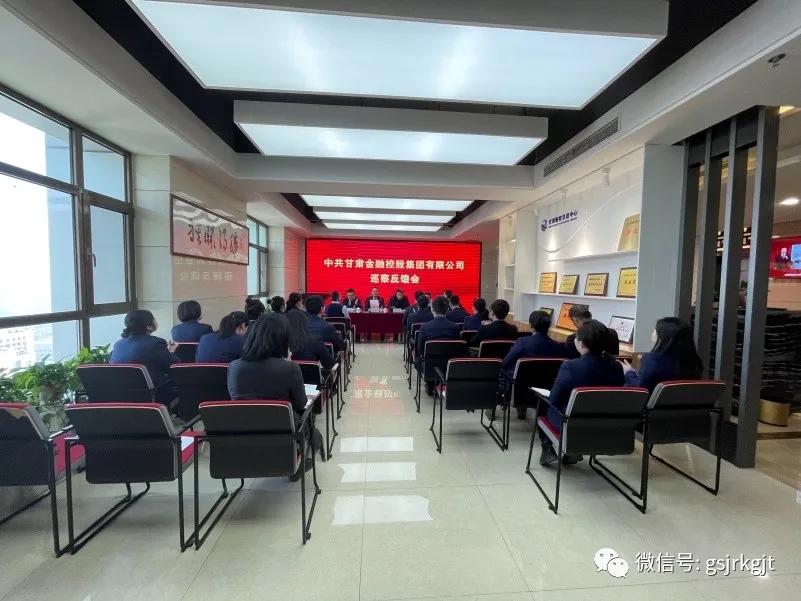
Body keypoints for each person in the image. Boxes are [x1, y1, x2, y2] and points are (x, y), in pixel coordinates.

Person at [227, 314, 319, 480]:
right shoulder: (289, 368)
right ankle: (296, 464)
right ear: (283, 340)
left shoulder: (234, 367)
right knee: (309, 421)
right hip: (284, 431)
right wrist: (287, 362)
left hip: (244, 430)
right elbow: (301, 404)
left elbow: (235, 398)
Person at [539, 320, 624, 466]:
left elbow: (554, 398)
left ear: (582, 343)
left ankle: (547, 448)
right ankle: (570, 452)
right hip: (606, 424)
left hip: (573, 423)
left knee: (543, 403)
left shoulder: (570, 366)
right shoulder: (616, 366)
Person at [501, 310, 566, 418]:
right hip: (547, 389)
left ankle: (521, 407)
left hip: (521, 390)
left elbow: (505, 363)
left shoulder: (522, 342)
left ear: (531, 325)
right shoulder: (557, 346)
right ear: (548, 326)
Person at [111, 310, 179, 404]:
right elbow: (174, 367)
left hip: (121, 395)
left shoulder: (118, 344)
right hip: (152, 393)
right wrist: (171, 352)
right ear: (149, 326)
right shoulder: (156, 343)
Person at [621, 317, 703, 393]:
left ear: (662, 338)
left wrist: (629, 372)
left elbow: (641, 389)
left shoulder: (652, 360)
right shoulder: (693, 362)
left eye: (654, 331)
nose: (653, 333)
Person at [416, 295, 461, 395]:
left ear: (432, 309)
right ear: (447, 309)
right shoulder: (455, 327)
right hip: (450, 367)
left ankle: (431, 384)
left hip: (429, 367)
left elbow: (420, 349)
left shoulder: (425, 327)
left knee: (417, 361)